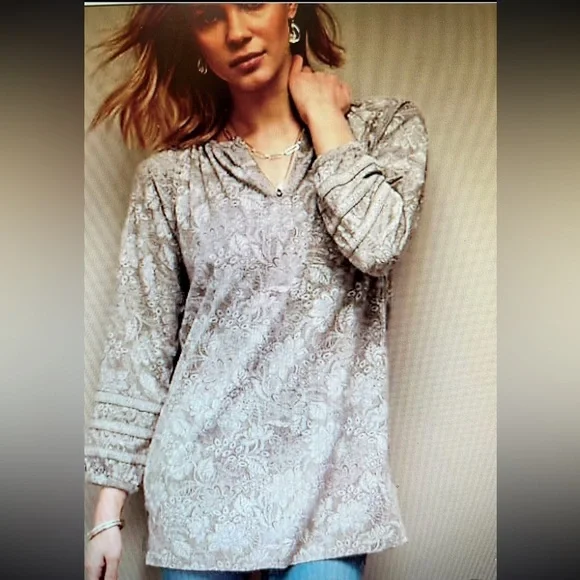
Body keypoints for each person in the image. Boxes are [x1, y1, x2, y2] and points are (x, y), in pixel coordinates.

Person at [84, 3, 428, 580]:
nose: (237, 32)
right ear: (193, 38)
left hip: (331, 498)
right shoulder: (170, 179)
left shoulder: (384, 131)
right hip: (199, 497)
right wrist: (106, 514)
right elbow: (139, 345)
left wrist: (325, 118)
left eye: (249, 3)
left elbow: (377, 244)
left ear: (290, 6)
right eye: (207, 15)